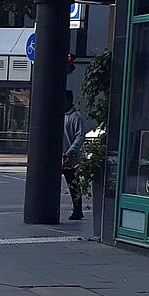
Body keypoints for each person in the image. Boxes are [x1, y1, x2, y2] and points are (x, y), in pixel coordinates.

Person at [62, 90, 88, 221]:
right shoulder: (63, 115)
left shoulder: (75, 116)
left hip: (70, 156)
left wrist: (71, 150)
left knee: (73, 184)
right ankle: (77, 209)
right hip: (62, 154)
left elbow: (79, 136)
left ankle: (78, 209)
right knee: (72, 183)